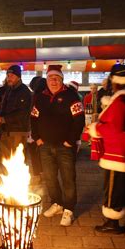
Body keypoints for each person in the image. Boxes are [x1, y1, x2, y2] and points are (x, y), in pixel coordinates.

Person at [88, 64, 125, 235]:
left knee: (115, 187)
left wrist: (95, 128)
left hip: (119, 151)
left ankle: (112, 222)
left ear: (116, 81)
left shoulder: (121, 101)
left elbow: (114, 127)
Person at [32, 65, 85, 226]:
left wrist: (71, 140)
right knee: (49, 177)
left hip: (65, 146)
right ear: (46, 80)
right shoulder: (40, 97)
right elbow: (33, 118)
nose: (53, 81)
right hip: (45, 145)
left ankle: (69, 209)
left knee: (68, 178)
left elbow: (79, 120)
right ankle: (57, 203)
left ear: (62, 80)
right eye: (50, 78)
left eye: (57, 78)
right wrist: (37, 138)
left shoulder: (71, 96)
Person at [0, 65, 32, 158]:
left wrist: (2, 119)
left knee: (17, 160)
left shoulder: (24, 91)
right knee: (6, 161)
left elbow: (22, 113)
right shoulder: (9, 90)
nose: (9, 78)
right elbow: (4, 107)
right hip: (6, 131)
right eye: (8, 76)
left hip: (18, 132)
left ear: (18, 76)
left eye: (12, 76)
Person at [28, 76, 46, 183]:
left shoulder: (33, 97)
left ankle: (37, 174)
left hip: (32, 129)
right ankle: (45, 173)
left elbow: (29, 114)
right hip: (45, 129)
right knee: (44, 153)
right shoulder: (47, 97)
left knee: (34, 153)